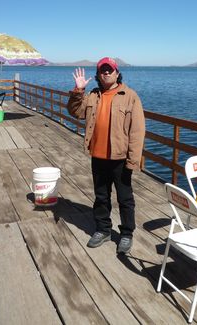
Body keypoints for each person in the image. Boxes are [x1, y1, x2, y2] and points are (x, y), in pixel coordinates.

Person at [67, 57, 145, 254]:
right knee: (101, 196)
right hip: (98, 156)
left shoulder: (130, 96)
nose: (107, 73)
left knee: (125, 198)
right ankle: (103, 230)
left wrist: (133, 160)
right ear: (98, 75)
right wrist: (78, 91)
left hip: (120, 158)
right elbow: (74, 111)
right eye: (103, 70)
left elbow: (137, 131)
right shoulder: (93, 95)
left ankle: (127, 233)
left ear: (117, 73)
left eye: (110, 70)